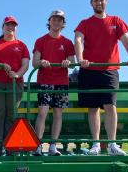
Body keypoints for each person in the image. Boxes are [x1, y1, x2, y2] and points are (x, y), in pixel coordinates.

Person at [74, 0, 128, 156]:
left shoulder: (115, 20)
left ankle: (112, 144)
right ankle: (95, 144)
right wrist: (80, 58)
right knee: (93, 108)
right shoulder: (85, 23)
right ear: (91, 3)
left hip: (109, 71)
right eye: (96, 0)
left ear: (106, 2)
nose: (99, 2)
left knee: (110, 107)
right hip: (89, 71)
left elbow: (126, 39)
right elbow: (78, 39)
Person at [32, 10, 75, 156]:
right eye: (54, 19)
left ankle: (52, 146)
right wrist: (41, 62)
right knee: (42, 112)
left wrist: (67, 62)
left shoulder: (67, 42)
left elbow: (73, 63)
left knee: (58, 114)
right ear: (49, 21)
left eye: (60, 20)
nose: (56, 22)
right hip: (45, 81)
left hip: (61, 82)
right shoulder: (40, 40)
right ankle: (37, 145)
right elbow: (34, 63)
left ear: (63, 24)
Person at [0, 16, 30, 156]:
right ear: (3, 27)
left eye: (13, 25)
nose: (10, 27)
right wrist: (0, 65)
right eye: (8, 25)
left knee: (11, 115)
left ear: (16, 28)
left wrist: (17, 74)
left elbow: (25, 65)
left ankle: (10, 146)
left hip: (15, 84)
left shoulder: (22, 45)